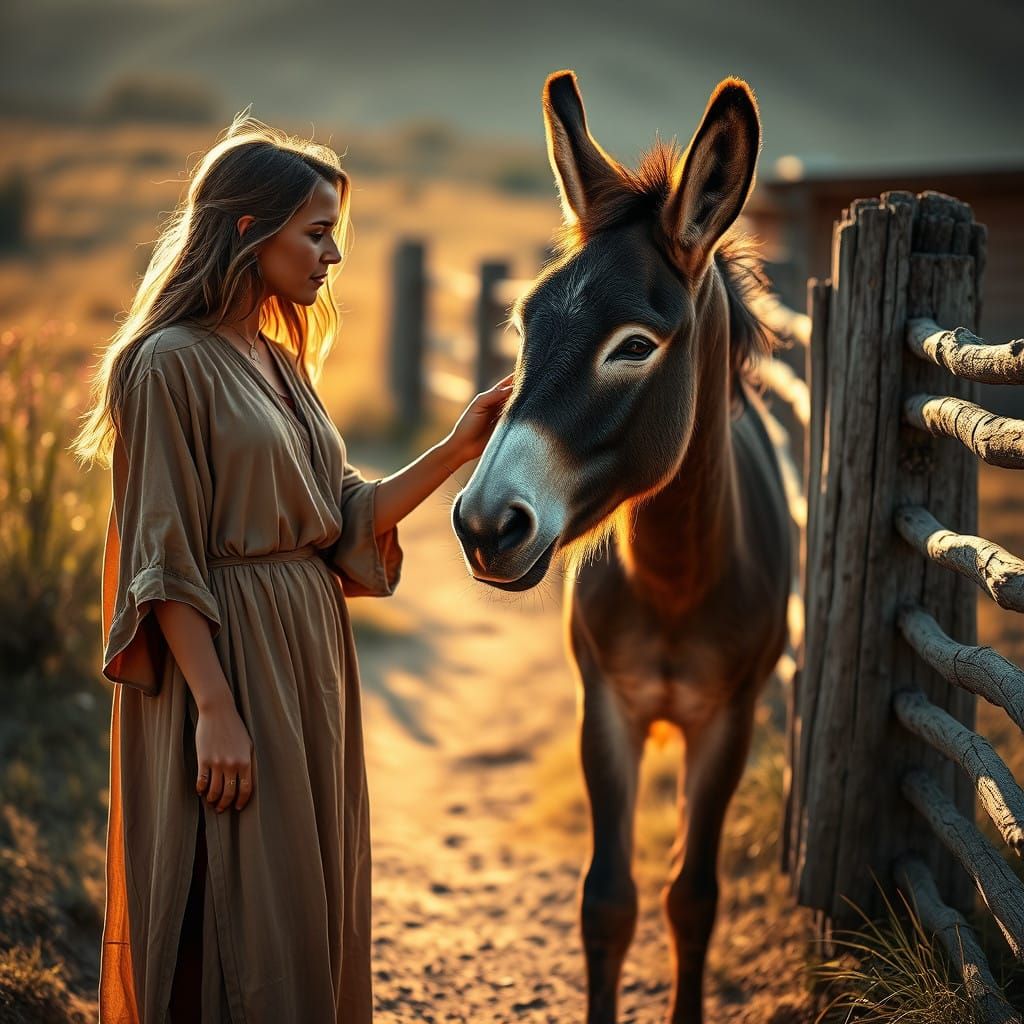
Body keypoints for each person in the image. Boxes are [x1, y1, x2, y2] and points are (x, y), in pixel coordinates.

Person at [70, 111, 514, 1023]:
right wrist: (216, 711)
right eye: (317, 234)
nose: (333, 257)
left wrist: (457, 448)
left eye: (334, 237)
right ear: (247, 229)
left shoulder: (277, 361)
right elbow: (166, 557)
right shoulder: (167, 365)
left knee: (305, 904)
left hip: (308, 661)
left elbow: (340, 518)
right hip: (227, 665)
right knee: (235, 902)